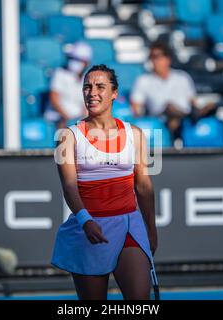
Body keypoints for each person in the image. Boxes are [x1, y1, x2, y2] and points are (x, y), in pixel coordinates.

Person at [51, 64, 158, 300]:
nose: (92, 93)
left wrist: (151, 229)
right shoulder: (67, 137)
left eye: (100, 86)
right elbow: (69, 187)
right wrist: (85, 220)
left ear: (114, 93)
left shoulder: (136, 134)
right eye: (87, 87)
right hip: (91, 229)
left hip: (130, 226)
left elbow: (144, 187)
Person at [130, 42, 217, 141]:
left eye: (158, 56)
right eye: (152, 57)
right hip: (161, 118)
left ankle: (185, 118)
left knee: (210, 105)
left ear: (168, 59)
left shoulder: (183, 77)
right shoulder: (143, 80)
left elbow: (193, 101)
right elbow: (136, 108)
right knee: (170, 108)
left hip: (184, 116)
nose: (154, 61)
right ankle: (186, 117)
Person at [44, 41, 92, 129]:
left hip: (77, 120)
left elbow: (85, 105)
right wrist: (67, 118)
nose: (74, 62)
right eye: (72, 58)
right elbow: (54, 98)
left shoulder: (87, 78)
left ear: (86, 62)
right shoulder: (60, 73)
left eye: (78, 59)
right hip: (58, 119)